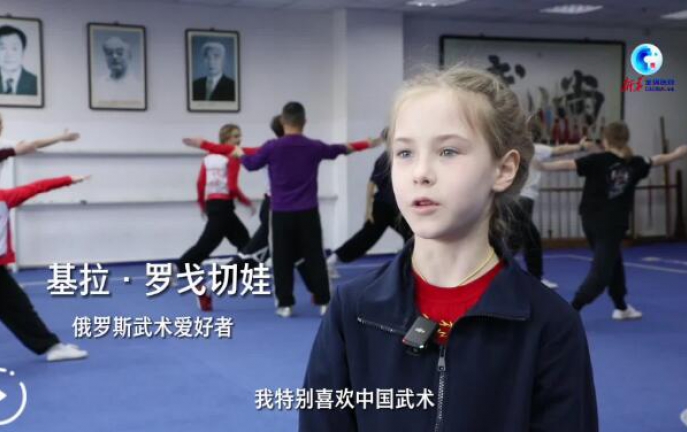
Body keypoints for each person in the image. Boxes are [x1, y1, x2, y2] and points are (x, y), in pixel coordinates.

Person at [300, 67, 597, 431]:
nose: (420, 173)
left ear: (503, 169)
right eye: (404, 152)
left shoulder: (550, 324)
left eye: (448, 151)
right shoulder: (352, 310)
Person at [218, 102, 382, 318]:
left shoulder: (271, 147)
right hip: (308, 212)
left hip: (280, 213)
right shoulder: (314, 146)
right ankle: (324, 301)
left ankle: (285, 305)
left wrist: (239, 153)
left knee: (281, 258)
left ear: (282, 121)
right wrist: (367, 143)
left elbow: (250, 165)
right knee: (314, 256)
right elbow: (342, 149)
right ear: (304, 122)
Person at [541, 121, 687, 319]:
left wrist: (542, 166)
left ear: (606, 140)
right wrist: (677, 154)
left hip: (590, 221)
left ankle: (621, 306)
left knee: (614, 262)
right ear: (625, 139)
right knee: (601, 273)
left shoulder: (600, 160)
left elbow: (568, 165)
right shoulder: (635, 163)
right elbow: (657, 160)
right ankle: (570, 311)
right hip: (611, 225)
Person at [0, 175, 91, 362]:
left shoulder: (4, 197)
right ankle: (51, 347)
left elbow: (37, 186)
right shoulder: (4, 197)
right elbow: (37, 186)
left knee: (16, 307)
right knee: (17, 308)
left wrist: (67, 180)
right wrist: (68, 180)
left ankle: (51, 346)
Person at [178, 124, 257, 311]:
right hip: (223, 208)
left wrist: (202, 204)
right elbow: (232, 186)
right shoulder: (233, 157)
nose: (239, 139)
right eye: (235, 136)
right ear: (226, 138)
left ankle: (210, 280)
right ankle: (181, 269)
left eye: (239, 135)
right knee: (210, 245)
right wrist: (247, 202)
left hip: (215, 205)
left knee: (245, 245)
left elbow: (200, 183)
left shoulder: (209, 158)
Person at [506, 128, 595, 289]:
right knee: (517, 240)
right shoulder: (532, 149)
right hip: (522, 200)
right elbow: (559, 150)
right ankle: (496, 278)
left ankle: (533, 278)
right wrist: (580, 146)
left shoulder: (513, 150)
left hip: (513, 200)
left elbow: (559, 150)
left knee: (528, 239)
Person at [326, 149, 413, 279]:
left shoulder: (395, 156)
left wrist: (369, 208)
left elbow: (372, 183)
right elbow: (371, 184)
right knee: (411, 236)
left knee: (411, 236)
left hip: (386, 205)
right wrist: (368, 210)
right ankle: (407, 269)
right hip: (389, 206)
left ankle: (332, 260)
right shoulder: (390, 157)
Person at [0, 111, 81, 173]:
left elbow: (33, 144)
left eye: (2, 124)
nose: (2, 127)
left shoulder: (4, 143)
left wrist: (60, 138)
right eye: (1, 125)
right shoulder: (4, 145)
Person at [94, 36, 143, 102]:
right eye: (109, 53)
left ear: (129, 56)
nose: (114, 56)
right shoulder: (97, 85)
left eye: (119, 53)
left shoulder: (139, 87)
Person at [0, 25, 38, 95]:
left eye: (14, 48)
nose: (9, 55)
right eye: (3, 48)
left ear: (23, 51)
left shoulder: (35, 82)